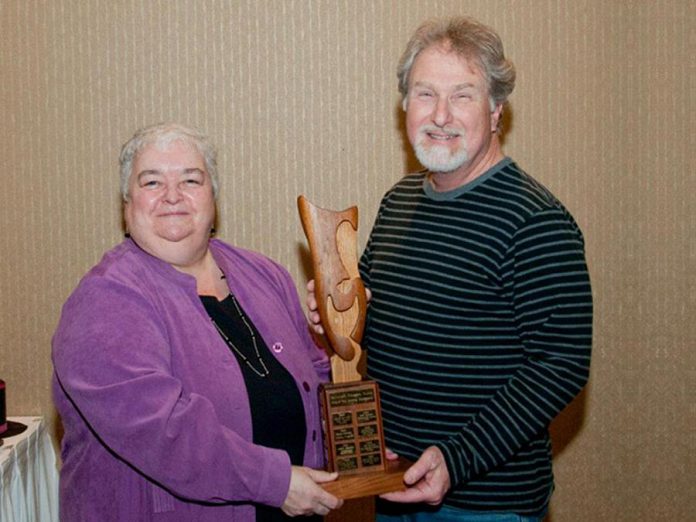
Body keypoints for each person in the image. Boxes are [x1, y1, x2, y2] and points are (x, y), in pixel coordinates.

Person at [307, 16, 592, 521]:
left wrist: (456, 460)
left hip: (484, 503)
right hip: (395, 483)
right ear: (403, 106)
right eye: (424, 94)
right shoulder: (398, 201)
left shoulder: (536, 220)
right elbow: (374, 310)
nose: (440, 114)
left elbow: (560, 365)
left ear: (496, 108)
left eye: (462, 95)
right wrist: (335, 311)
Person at [52, 123, 342, 521]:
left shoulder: (265, 275)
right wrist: (274, 482)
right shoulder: (104, 301)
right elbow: (163, 432)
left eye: (191, 179)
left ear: (213, 199)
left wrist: (361, 433)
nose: (172, 196)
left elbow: (317, 379)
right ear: (126, 204)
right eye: (151, 182)